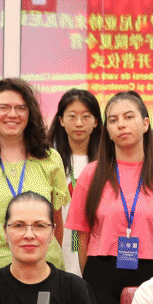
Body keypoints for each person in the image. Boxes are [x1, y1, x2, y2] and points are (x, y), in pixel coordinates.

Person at [65, 91, 153, 304]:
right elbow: (80, 233)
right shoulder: (90, 174)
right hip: (100, 271)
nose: (121, 124)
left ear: (145, 124)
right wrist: (86, 273)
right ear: (108, 131)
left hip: (150, 271)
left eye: (129, 117)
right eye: (113, 120)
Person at [0, 77, 71, 286]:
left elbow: (56, 224)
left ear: (30, 113)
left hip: (42, 273)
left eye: (21, 108)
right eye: (4, 107)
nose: (12, 114)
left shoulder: (50, 159)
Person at [46, 87, 101, 273]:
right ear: (61, 120)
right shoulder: (50, 161)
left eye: (86, 116)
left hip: (95, 250)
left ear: (96, 121)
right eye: (72, 116)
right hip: (57, 248)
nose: (79, 123)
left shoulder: (105, 164)